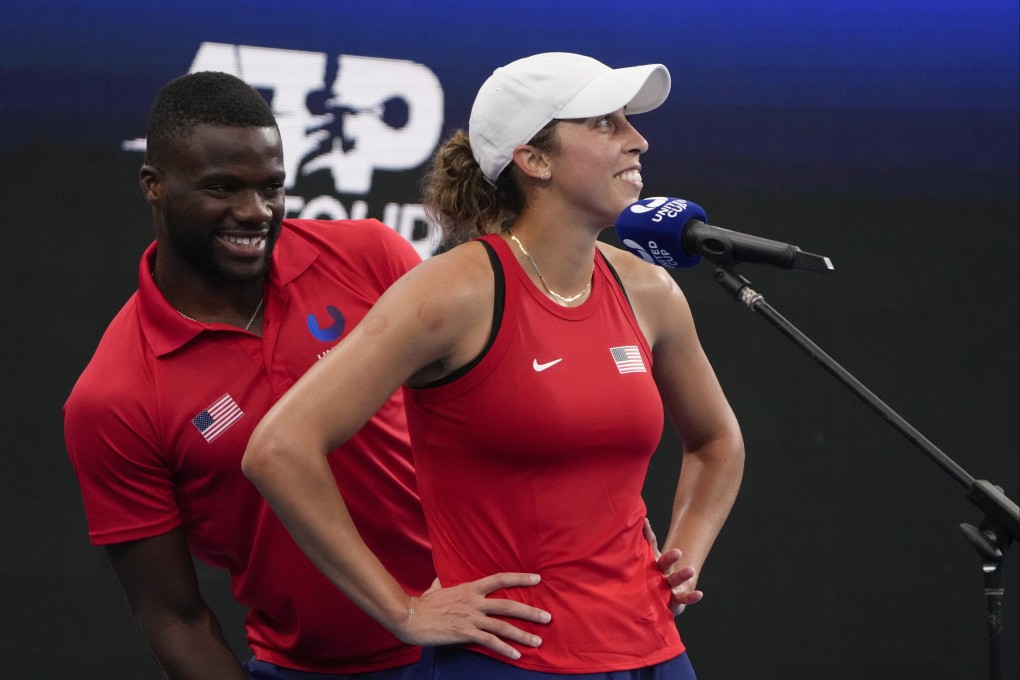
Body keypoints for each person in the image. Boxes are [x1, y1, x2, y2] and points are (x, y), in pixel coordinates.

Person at [242, 52, 745, 679]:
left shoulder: (648, 289)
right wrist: (402, 609)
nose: (637, 139)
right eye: (604, 123)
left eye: (628, 121)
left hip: (656, 653)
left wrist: (683, 556)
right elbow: (279, 449)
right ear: (533, 159)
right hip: (510, 659)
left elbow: (717, 440)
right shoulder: (451, 293)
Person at [63, 71, 546, 680]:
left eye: (271, 186)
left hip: (491, 639)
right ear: (153, 185)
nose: (254, 212)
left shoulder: (369, 256)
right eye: (222, 188)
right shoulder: (112, 396)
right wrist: (404, 611)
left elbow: (509, 418)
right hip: (315, 668)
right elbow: (173, 617)